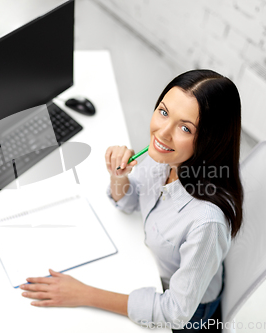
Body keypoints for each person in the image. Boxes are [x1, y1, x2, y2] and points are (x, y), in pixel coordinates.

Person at [19, 69, 244, 332]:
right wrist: (119, 176)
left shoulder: (207, 222)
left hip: (188, 312)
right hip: (151, 264)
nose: (162, 133)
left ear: (211, 139)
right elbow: (130, 202)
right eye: (163, 112)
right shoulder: (166, 157)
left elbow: (175, 313)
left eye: (185, 127)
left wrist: (84, 295)